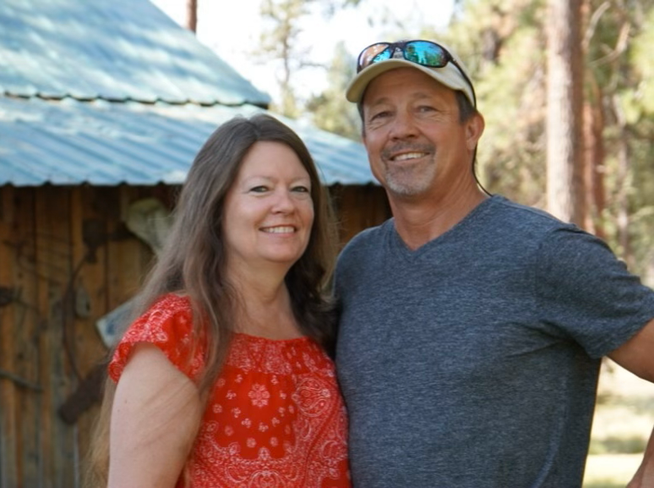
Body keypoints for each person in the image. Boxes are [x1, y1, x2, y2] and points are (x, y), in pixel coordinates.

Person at [334, 39, 654, 487]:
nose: (401, 129)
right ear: (367, 140)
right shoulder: (356, 265)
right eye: (381, 115)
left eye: (426, 109)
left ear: (471, 130)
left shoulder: (544, 253)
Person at [85, 113, 350, 487]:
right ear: (215, 206)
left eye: (299, 189)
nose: (285, 204)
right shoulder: (178, 332)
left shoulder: (321, 325)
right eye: (261, 189)